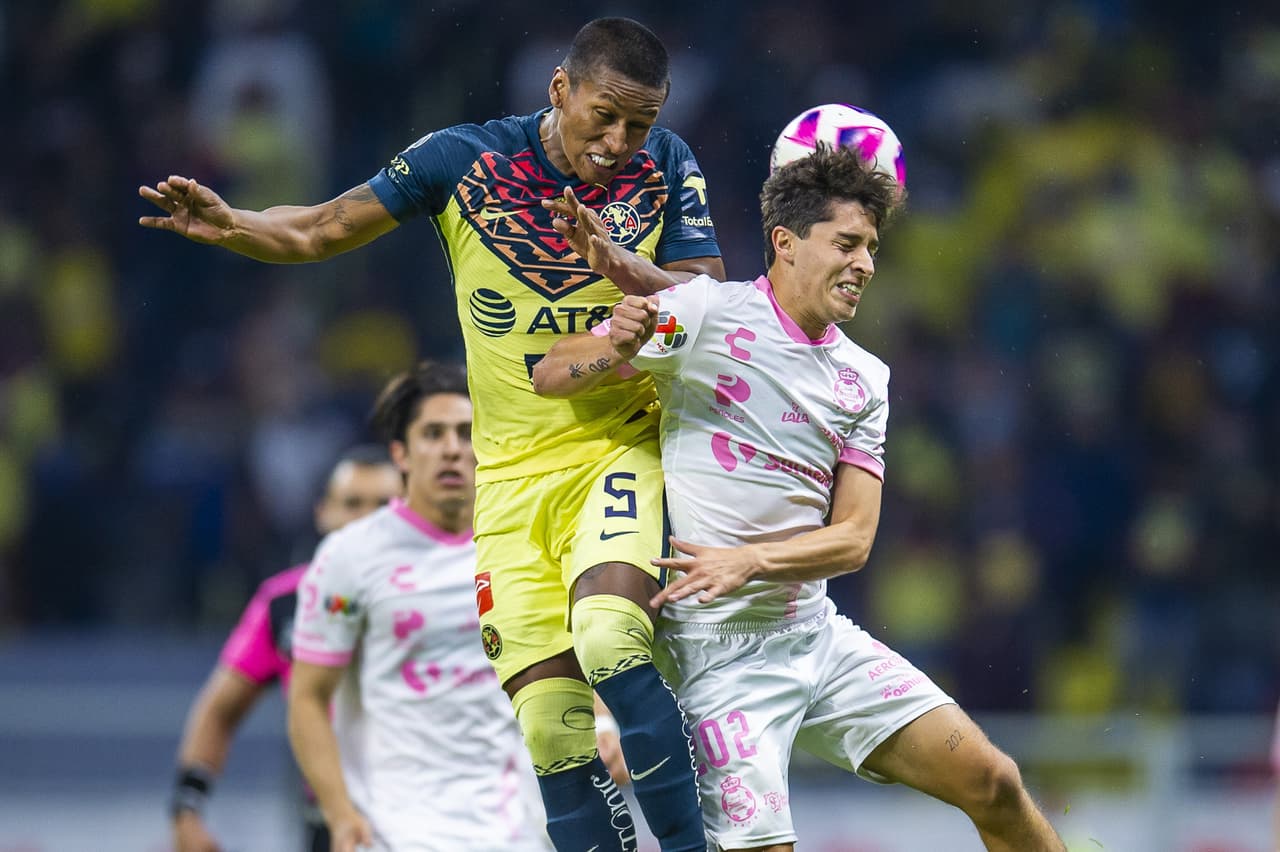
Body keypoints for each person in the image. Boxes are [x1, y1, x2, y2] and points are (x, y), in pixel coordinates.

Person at [140, 17, 722, 851]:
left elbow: (710, 300)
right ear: (559, 90)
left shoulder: (667, 166)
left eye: (641, 121)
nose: (622, 140)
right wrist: (233, 225)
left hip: (616, 448)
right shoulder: (463, 160)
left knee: (607, 635)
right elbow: (320, 228)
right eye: (606, 115)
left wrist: (628, 274)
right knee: (555, 733)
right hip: (509, 478)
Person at [531, 145, 1066, 851]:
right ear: (785, 244)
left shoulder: (863, 378)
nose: (866, 264)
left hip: (815, 636)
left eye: (872, 247)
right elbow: (551, 373)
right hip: (716, 657)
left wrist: (749, 560)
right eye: (846, 243)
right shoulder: (703, 314)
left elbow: (853, 540)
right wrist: (616, 350)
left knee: (994, 781)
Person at [288, 361, 546, 851]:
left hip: (514, 828)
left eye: (467, 433)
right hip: (392, 829)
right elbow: (307, 698)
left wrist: (603, 722)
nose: (451, 448)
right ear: (401, 454)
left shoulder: (526, 544)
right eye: (433, 433)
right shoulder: (351, 556)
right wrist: (340, 815)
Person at [169, 445, 403, 852]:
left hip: (434, 814)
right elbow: (219, 709)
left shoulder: (450, 591)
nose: (366, 518)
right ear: (323, 513)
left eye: (383, 504)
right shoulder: (285, 604)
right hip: (331, 825)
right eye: (352, 503)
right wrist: (187, 809)